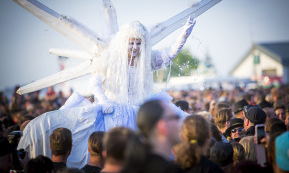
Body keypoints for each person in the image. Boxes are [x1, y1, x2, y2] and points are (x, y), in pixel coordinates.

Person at [17, 18, 195, 168]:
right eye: (131, 42)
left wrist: (184, 35)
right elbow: (95, 81)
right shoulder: (110, 58)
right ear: (124, 41)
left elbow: (169, 55)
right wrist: (103, 101)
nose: (134, 47)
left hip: (138, 113)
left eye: (138, 43)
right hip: (112, 111)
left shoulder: (146, 59)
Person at [122, 99, 182, 173]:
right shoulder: (167, 170)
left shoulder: (130, 166)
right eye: (176, 117)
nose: (180, 123)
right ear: (163, 126)